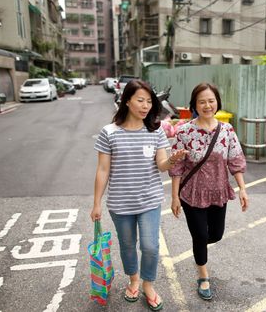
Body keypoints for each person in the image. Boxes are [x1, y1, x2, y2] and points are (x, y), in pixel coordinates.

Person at [91, 79, 186, 311]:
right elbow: (103, 170)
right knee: (127, 245)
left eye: (149, 101)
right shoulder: (109, 132)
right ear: (127, 101)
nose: (145, 106)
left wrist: (172, 160)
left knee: (151, 246)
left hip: (149, 200)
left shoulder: (155, 131)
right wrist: (96, 204)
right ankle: (133, 280)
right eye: (140, 100)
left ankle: (148, 285)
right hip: (120, 203)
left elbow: (162, 165)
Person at [169, 82, 249, 301]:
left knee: (215, 234)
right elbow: (177, 167)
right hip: (192, 193)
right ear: (194, 104)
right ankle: (203, 275)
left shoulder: (227, 130)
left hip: (218, 191)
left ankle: (199, 249)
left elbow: (235, 160)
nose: (207, 105)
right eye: (202, 101)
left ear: (217, 103)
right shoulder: (184, 131)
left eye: (211, 101)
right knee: (200, 235)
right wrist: (174, 196)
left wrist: (242, 188)